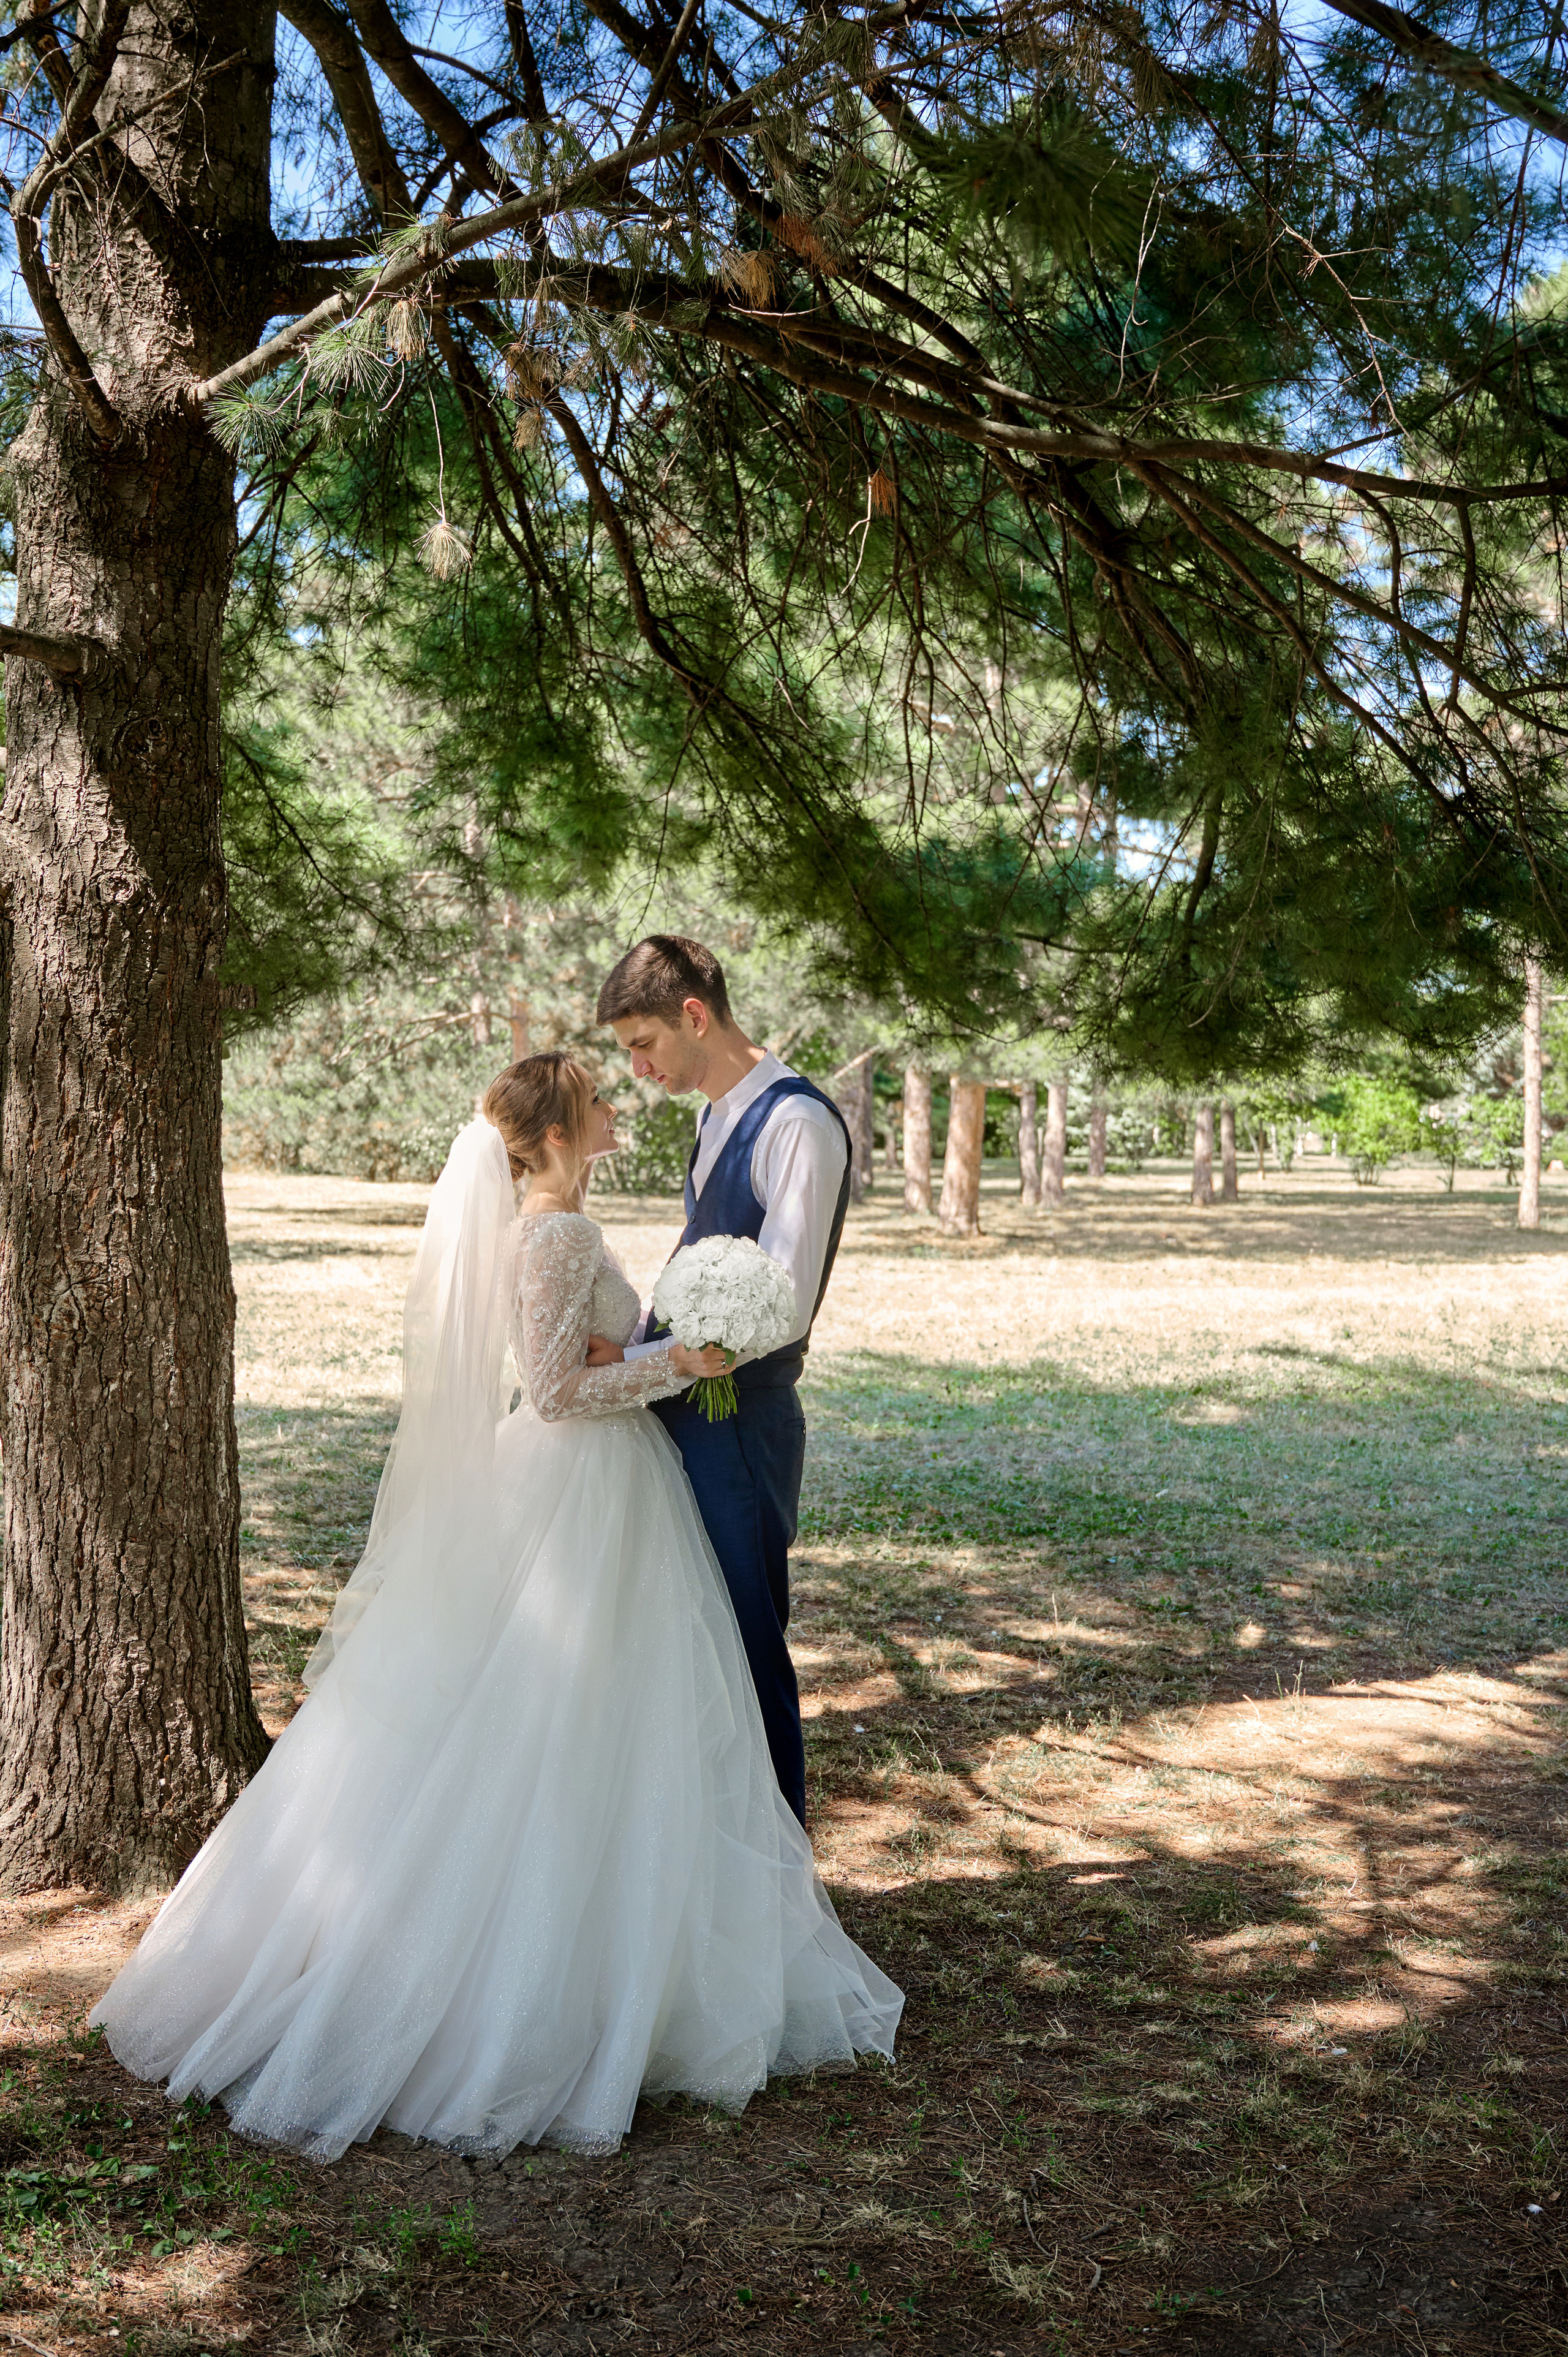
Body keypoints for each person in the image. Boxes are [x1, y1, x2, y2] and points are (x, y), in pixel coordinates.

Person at [89, 1054, 900, 2162]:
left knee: (604, 1721)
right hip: (582, 1491)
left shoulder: (560, 1220)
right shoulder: (555, 1232)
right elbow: (560, 1392)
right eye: (601, 1099)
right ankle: (537, 1983)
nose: (619, 1106)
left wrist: (644, 1349)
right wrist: (682, 1359)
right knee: (562, 1725)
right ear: (561, 1128)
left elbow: (566, 1360)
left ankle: (611, 1955)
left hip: (603, 1488)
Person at [595, 937, 851, 1826]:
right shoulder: (715, 1116)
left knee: (744, 1638)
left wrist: (645, 1364)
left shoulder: (796, 1125)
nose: (636, 1069)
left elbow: (779, 1299)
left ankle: (780, 1869)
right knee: (689, 1634)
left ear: (694, 1016)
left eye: (645, 1045)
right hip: (682, 1403)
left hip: (740, 1422)